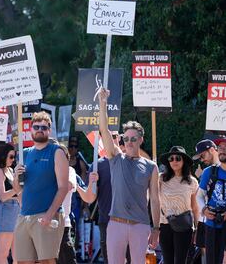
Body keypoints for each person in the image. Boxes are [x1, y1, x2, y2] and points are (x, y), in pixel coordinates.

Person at [98, 88, 160, 264]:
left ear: (141, 140)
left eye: (133, 139)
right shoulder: (116, 158)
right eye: (126, 139)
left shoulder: (151, 167)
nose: (129, 142)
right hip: (116, 223)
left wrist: (156, 228)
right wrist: (103, 103)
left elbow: (155, 199)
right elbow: (104, 130)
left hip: (140, 225)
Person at [13, 111, 69, 264]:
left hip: (47, 215)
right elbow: (18, 189)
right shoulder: (24, 153)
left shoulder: (56, 152)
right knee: (22, 261)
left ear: (49, 131)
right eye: (36, 126)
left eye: (44, 127)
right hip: (24, 215)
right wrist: (16, 177)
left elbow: (64, 187)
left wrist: (49, 215)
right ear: (30, 129)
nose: (40, 130)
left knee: (47, 261)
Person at [76, 132, 120, 264]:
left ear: (119, 139)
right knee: (110, 260)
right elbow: (90, 198)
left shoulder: (130, 161)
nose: (110, 140)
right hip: (106, 220)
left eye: (113, 136)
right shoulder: (97, 165)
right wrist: (91, 183)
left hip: (129, 221)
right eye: (107, 136)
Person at [158, 146, 199, 264]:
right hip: (165, 225)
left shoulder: (192, 181)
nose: (174, 161)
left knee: (181, 261)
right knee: (167, 260)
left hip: (184, 226)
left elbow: (195, 207)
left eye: (178, 158)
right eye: (171, 159)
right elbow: (153, 200)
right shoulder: (160, 179)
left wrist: (197, 228)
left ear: (184, 161)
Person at [195, 139, 226, 263]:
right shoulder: (210, 171)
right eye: (221, 147)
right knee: (211, 260)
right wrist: (204, 209)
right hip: (212, 222)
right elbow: (199, 196)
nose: (223, 150)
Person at [0, 144, 20, 264]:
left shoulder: (11, 170)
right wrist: (17, 189)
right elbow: (2, 196)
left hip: (16, 210)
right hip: (4, 210)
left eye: (14, 157)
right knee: (2, 255)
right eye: (11, 157)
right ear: (3, 156)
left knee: (18, 255)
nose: (13, 160)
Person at [57, 145, 77, 264]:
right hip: (44, 222)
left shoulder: (70, 170)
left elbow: (68, 185)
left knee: (68, 259)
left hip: (63, 223)